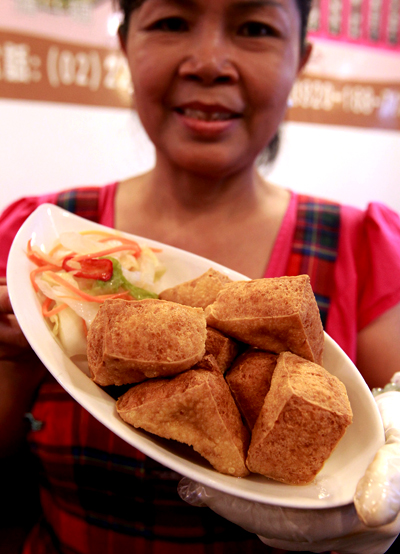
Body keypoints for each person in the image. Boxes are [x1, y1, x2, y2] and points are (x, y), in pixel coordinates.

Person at [1, 0, 400, 553]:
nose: (209, 61)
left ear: (300, 59)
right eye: (171, 22)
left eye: (255, 28)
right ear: (124, 43)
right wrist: (17, 362)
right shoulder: (39, 247)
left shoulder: (365, 246)